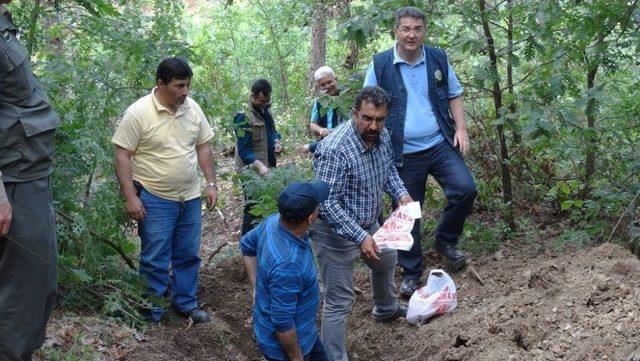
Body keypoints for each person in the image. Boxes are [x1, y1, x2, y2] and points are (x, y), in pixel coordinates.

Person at [364, 6, 477, 297]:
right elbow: (367, 104)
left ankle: (446, 240)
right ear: (396, 31)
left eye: (417, 29)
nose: (411, 35)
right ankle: (412, 272)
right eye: (406, 28)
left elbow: (454, 93)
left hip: (439, 142)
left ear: (424, 31)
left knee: (465, 188)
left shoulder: (437, 58)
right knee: (408, 212)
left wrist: (461, 129)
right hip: (402, 151)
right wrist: (371, 142)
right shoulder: (381, 64)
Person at [112, 57, 217, 324]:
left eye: (188, 85)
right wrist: (130, 197)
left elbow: (203, 145)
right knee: (155, 258)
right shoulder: (138, 113)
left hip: (190, 197)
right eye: (179, 86)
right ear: (161, 84)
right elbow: (122, 155)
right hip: (155, 198)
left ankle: (185, 303)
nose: (185, 92)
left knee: (188, 253)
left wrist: (210, 183)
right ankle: (152, 312)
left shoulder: (192, 108)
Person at [311, 86, 413, 361]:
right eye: (367, 118)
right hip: (333, 231)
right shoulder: (334, 148)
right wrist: (360, 237)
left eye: (380, 119)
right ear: (355, 113)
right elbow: (327, 204)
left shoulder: (382, 135)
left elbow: (388, 169)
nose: (374, 125)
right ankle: (334, 356)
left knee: (387, 257)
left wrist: (401, 193)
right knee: (339, 299)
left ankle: (385, 309)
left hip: (366, 221)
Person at [0, 1, 60, 359]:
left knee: (38, 284)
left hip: (30, 176)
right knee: (21, 294)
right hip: (14, 182)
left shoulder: (4, 20)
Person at [241, 180, 330, 361]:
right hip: (288, 348)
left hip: (306, 333)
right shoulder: (288, 265)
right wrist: (297, 358)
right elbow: (283, 324)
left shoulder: (273, 222)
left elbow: (247, 246)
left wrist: (256, 287)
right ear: (311, 218)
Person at [234, 79, 282, 235]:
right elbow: (244, 150)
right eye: (262, 100)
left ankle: (265, 236)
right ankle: (248, 242)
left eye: (267, 100)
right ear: (252, 96)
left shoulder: (266, 110)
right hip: (251, 170)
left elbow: (273, 131)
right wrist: (260, 166)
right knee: (253, 206)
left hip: (268, 164)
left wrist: (276, 141)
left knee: (269, 202)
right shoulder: (243, 116)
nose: (264, 103)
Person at [300, 66, 344, 154]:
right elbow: (313, 123)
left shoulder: (346, 97)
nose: (327, 86)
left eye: (329, 82)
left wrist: (310, 147)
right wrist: (321, 130)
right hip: (325, 145)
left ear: (336, 79)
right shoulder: (319, 101)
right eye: (323, 85)